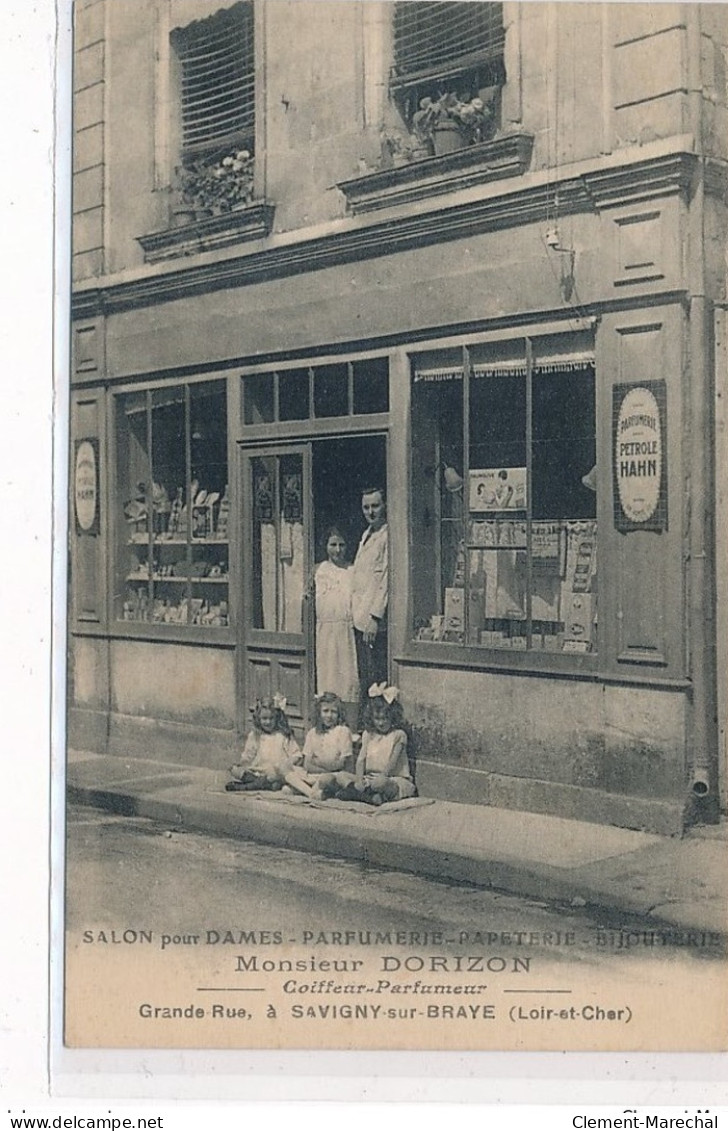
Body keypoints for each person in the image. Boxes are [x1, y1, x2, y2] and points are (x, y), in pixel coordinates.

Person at [318, 684, 415, 806]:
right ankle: (368, 796)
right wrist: (359, 779)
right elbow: (361, 759)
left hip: (391, 778)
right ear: (371, 718)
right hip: (368, 778)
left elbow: (392, 764)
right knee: (341, 776)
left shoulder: (399, 735)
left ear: (393, 717)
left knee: (380, 783)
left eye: (385, 719)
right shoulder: (368, 734)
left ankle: (359, 795)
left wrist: (382, 776)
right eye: (377, 719)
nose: (381, 723)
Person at [350, 486, 388, 724]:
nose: (371, 511)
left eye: (375, 506)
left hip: (373, 622)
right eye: (366, 507)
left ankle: (376, 726)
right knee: (365, 674)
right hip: (359, 616)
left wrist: (375, 618)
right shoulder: (366, 535)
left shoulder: (386, 536)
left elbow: (385, 578)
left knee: (375, 677)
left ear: (384, 506)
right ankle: (367, 727)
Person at [313, 528, 358, 709]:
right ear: (325, 546)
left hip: (346, 630)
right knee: (328, 675)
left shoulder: (352, 570)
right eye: (333, 545)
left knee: (348, 678)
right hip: (325, 630)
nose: (337, 550)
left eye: (341, 545)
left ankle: (349, 723)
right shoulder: (318, 570)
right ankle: (328, 719)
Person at [226, 695, 302, 792]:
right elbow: (248, 755)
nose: (268, 722)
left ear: (277, 718)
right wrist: (241, 763)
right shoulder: (255, 735)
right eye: (264, 718)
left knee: (277, 778)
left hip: (275, 774)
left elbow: (296, 754)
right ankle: (262, 784)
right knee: (235, 770)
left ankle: (245, 787)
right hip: (257, 772)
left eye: (271, 718)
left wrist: (288, 763)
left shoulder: (283, 734)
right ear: (258, 718)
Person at [301, 692, 355, 795]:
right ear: (319, 713)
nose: (329, 715)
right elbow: (307, 765)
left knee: (326, 780)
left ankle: (311, 791)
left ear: (339, 714)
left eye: (333, 712)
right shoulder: (312, 733)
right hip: (315, 775)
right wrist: (325, 767)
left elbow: (341, 763)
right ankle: (311, 792)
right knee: (288, 785)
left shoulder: (343, 731)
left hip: (335, 776)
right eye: (325, 711)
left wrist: (317, 762)